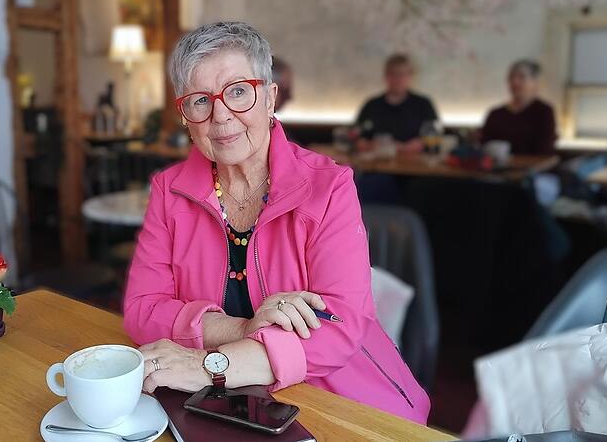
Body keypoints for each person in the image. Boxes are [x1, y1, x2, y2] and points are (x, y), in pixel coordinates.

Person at [123, 21, 430, 424]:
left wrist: (207, 365)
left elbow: (339, 326)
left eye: (238, 92)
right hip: (217, 406)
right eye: (200, 100)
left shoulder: (329, 187)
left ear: (269, 98)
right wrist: (242, 329)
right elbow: (142, 310)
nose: (221, 115)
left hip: (332, 397)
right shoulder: (169, 190)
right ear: (185, 115)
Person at [354, 54, 439, 154]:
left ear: (411, 76)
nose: (397, 79)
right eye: (393, 74)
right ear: (386, 76)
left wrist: (417, 145)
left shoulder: (424, 104)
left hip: (414, 162)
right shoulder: (371, 105)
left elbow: (434, 139)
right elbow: (355, 137)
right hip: (377, 162)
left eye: (402, 74)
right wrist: (368, 145)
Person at [481, 60, 557, 155]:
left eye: (521, 77)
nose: (515, 82)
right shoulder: (495, 114)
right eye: (511, 77)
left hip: (533, 164)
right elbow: (484, 146)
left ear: (535, 82)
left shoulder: (544, 112)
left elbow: (545, 150)